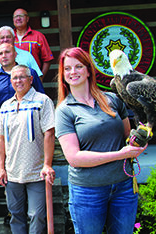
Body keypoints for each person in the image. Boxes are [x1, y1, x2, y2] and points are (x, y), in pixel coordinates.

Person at [55, 47, 147, 233]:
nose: (73, 72)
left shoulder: (113, 99)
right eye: (68, 68)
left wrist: (139, 142)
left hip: (124, 187)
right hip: (88, 191)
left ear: (89, 70)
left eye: (79, 66)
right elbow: (74, 157)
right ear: (63, 74)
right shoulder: (65, 110)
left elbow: (127, 138)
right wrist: (119, 155)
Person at [0, 65, 55, 233]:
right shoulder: (6, 106)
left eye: (22, 77)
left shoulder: (42, 101)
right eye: (14, 78)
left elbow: (49, 133)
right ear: (10, 81)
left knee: (37, 214)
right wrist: (1, 168)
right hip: (12, 171)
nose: (18, 81)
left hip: (36, 171)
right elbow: (1, 138)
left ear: (31, 80)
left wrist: (47, 164)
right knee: (15, 214)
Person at [0, 43, 44, 172]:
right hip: (2, 125)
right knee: (6, 157)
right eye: (0, 53)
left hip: (28, 122)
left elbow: (41, 99)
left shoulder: (29, 73)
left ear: (15, 54)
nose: (4, 56)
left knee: (29, 155)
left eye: (7, 52)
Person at [13, 8, 53, 79]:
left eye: (21, 16)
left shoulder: (38, 36)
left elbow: (47, 59)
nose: (18, 18)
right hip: (14, 79)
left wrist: (40, 78)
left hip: (32, 78)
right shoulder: (9, 37)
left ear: (27, 19)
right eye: (16, 16)